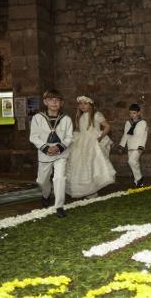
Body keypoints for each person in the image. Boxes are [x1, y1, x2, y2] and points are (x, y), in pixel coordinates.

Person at [30, 89, 74, 218]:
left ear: (61, 103)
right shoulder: (37, 118)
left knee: (59, 178)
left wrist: (59, 147)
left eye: (57, 100)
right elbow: (33, 137)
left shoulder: (66, 119)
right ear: (45, 102)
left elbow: (69, 137)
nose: (54, 102)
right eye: (51, 100)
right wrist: (45, 147)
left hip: (61, 153)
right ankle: (45, 194)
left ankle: (59, 206)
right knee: (42, 181)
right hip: (45, 154)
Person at [66, 95, 115, 198]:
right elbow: (80, 130)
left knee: (91, 164)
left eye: (85, 103)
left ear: (90, 104)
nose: (82, 106)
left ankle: (92, 190)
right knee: (80, 165)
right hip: (81, 142)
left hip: (91, 142)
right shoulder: (80, 116)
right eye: (80, 104)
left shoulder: (96, 115)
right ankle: (85, 189)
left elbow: (107, 126)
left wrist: (100, 137)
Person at [119, 103, 148, 187]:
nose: (132, 115)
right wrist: (121, 146)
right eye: (130, 113)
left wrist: (141, 147)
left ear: (138, 113)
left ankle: (139, 179)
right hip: (130, 146)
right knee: (135, 163)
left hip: (138, 146)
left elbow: (144, 135)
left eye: (134, 113)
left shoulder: (143, 123)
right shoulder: (128, 123)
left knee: (131, 161)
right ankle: (138, 183)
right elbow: (125, 135)